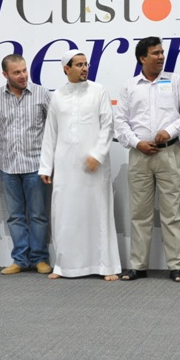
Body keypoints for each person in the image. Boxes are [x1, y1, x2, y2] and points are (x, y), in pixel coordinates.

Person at [114, 37, 180, 282]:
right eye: (155, 53)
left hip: (169, 152)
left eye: (162, 52)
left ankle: (176, 266)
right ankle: (138, 266)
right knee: (139, 213)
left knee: (174, 212)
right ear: (142, 58)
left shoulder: (175, 81)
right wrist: (136, 142)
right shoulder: (129, 86)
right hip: (139, 155)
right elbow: (120, 121)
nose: (161, 57)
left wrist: (170, 131)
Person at [39, 50, 121, 281]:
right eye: (79, 65)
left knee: (98, 213)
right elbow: (51, 132)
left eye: (86, 64)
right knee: (65, 214)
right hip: (66, 166)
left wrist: (97, 154)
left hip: (95, 166)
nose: (84, 68)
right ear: (66, 69)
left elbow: (108, 126)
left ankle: (105, 266)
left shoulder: (98, 91)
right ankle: (64, 266)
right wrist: (46, 166)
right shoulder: (58, 95)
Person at [0, 54, 52, 275]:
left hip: (36, 164)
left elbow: (53, 129)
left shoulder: (42, 94)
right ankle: (20, 259)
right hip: (8, 166)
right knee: (15, 216)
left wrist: (50, 162)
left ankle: (40, 258)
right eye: (17, 72)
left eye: (24, 70)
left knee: (38, 215)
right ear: (5, 74)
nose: (23, 75)